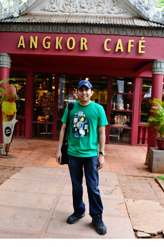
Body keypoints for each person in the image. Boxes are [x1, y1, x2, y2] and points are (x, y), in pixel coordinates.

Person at [56, 80, 108, 235]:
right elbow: (63, 128)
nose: (84, 92)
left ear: (92, 92)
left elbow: (102, 132)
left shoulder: (98, 109)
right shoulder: (70, 107)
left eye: (87, 90)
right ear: (77, 92)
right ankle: (78, 211)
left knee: (93, 186)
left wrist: (102, 154)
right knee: (76, 185)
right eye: (81, 90)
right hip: (73, 153)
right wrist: (58, 150)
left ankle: (97, 216)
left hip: (91, 154)